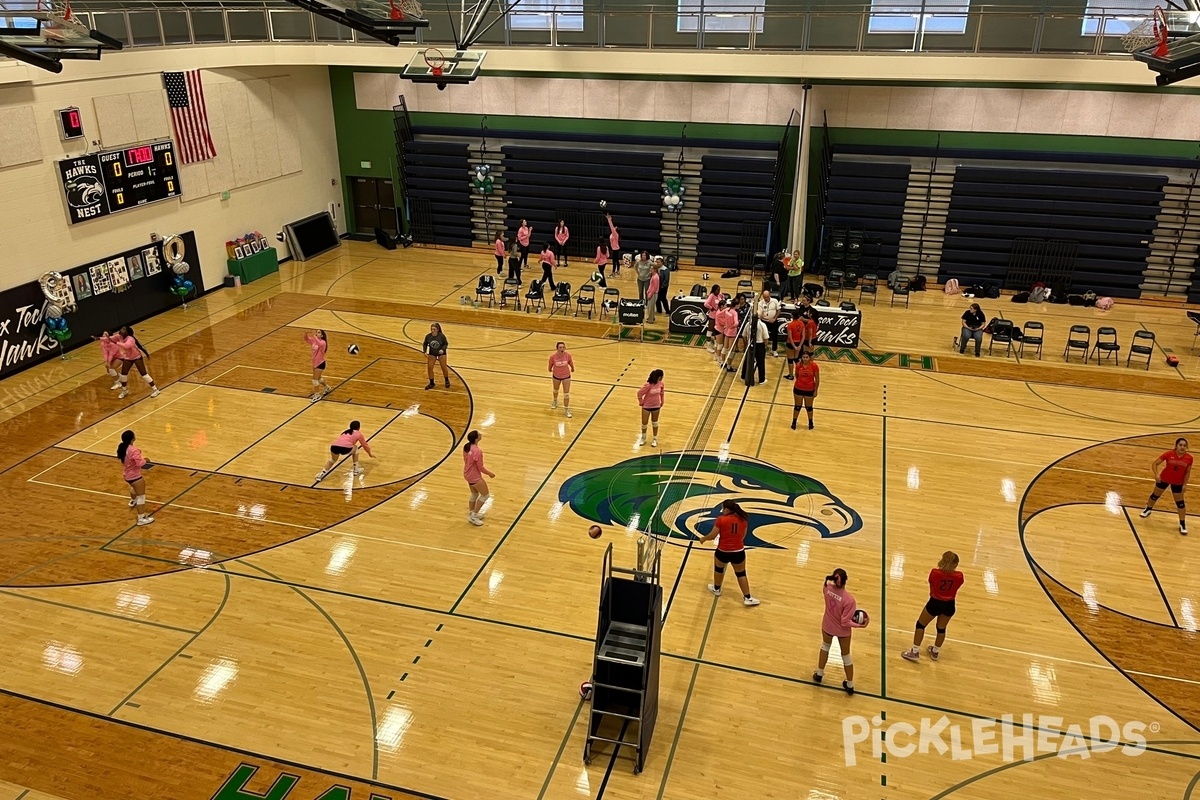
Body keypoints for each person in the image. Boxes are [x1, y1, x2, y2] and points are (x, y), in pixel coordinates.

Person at [902, 551, 964, 662]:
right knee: (941, 629)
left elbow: (932, 585)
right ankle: (935, 651)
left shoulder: (935, 573)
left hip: (935, 602)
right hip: (950, 604)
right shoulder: (959, 576)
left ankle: (915, 651)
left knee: (920, 625)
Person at [814, 568, 867, 695]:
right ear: (845, 581)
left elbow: (827, 582)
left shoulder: (827, 588)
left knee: (825, 647)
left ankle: (819, 674)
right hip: (843, 632)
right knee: (846, 656)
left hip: (827, 626)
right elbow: (845, 621)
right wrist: (859, 626)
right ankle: (849, 684)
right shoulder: (849, 600)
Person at [699, 499, 761, 607]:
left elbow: (713, 535)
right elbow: (743, 536)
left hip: (723, 551)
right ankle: (748, 598)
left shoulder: (721, 520)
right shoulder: (743, 519)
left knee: (718, 569)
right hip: (738, 552)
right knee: (741, 574)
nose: (722, 510)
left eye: (723, 508)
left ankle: (717, 589)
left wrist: (703, 539)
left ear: (727, 510)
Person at [1141, 437, 1192, 535]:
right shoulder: (1169, 454)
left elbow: (1187, 472)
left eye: (1184, 446)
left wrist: (1185, 484)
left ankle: (1182, 523)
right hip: (1164, 479)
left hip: (1178, 482)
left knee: (1180, 503)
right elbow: (1155, 464)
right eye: (1180, 445)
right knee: (1154, 496)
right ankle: (1148, 509)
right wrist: (1156, 474)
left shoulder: (1189, 458)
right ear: (1176, 446)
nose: (1182, 447)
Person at [103, 327, 160, 400]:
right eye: (121, 329)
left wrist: (115, 342)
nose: (121, 330)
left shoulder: (130, 339)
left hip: (137, 357)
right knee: (123, 374)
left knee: (144, 374)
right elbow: (109, 338)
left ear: (126, 332)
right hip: (128, 358)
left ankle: (156, 389)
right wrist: (99, 338)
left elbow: (126, 346)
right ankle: (124, 391)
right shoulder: (119, 336)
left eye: (123, 330)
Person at [117, 430, 154, 526]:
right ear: (133, 438)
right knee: (141, 496)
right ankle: (141, 518)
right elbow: (140, 464)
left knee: (133, 487)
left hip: (127, 475)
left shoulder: (122, 448)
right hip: (135, 476)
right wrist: (145, 460)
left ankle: (133, 501)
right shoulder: (133, 450)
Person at [462, 430, 495, 526]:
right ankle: (473, 516)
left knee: (474, 493)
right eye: (479, 434)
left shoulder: (466, 447)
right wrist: (490, 474)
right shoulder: (478, 451)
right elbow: (480, 467)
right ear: (476, 438)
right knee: (485, 495)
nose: (481, 434)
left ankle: (472, 511)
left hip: (467, 474)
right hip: (474, 476)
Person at [791, 351, 820, 430]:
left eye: (807, 357)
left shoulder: (814, 366)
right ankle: (794, 422)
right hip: (798, 388)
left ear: (809, 358)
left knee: (809, 407)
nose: (805, 359)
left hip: (810, 389)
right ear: (801, 358)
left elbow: (817, 379)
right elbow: (797, 375)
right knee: (797, 406)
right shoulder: (798, 365)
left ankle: (810, 423)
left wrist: (816, 390)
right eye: (803, 357)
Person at [636, 369, 664, 447]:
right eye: (662, 376)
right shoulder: (648, 385)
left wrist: (662, 401)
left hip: (656, 406)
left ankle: (655, 439)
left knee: (655, 423)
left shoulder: (661, 384)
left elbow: (662, 393)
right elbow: (639, 393)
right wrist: (641, 401)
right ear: (659, 377)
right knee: (644, 423)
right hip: (646, 406)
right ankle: (643, 438)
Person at [302, 329, 331, 402]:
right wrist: (306, 333)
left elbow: (319, 344)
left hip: (320, 363)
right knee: (318, 379)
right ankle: (327, 387)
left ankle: (317, 395)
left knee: (314, 380)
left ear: (322, 335)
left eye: (318, 332)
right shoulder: (314, 341)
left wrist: (314, 336)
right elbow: (306, 339)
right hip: (315, 363)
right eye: (316, 332)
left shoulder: (323, 342)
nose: (316, 333)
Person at [548, 341, 575, 418]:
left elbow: (570, 362)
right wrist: (549, 369)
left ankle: (566, 409)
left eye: (563, 347)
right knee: (556, 390)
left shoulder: (568, 355)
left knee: (566, 394)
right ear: (557, 348)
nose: (562, 349)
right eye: (560, 347)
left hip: (566, 376)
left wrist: (572, 368)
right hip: (556, 376)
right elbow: (550, 364)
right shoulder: (553, 357)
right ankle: (555, 401)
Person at [423, 323, 451, 390]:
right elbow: (425, 344)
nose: (432, 331)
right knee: (429, 368)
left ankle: (446, 380)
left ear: (437, 330)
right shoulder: (428, 336)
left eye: (434, 329)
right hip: (432, 353)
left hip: (441, 353)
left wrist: (442, 349)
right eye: (431, 329)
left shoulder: (441, 336)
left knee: (443, 367)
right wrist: (424, 351)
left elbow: (446, 344)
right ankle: (432, 383)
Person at [754, 289, 781, 357]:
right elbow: (760, 312)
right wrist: (760, 317)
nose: (766, 298)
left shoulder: (775, 301)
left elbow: (778, 310)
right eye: (764, 297)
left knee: (775, 336)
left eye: (767, 297)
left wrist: (774, 318)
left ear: (769, 295)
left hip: (773, 321)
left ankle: (774, 350)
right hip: (764, 322)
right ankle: (763, 349)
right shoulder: (761, 303)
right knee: (763, 336)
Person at [744, 314, 769, 385]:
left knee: (748, 360)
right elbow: (766, 338)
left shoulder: (748, 324)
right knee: (760, 363)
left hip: (750, 344)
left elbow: (744, 336)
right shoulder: (762, 325)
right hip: (760, 345)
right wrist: (764, 347)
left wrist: (747, 344)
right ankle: (762, 379)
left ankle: (744, 376)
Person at [716, 299, 739, 371]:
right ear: (736, 305)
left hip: (726, 331)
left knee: (725, 347)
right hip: (732, 333)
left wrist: (726, 324)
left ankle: (723, 363)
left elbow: (718, 315)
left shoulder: (727, 309)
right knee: (731, 350)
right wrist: (733, 326)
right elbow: (736, 323)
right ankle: (729, 366)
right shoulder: (734, 313)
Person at [784, 311, 805, 380]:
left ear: (792, 316)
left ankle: (791, 375)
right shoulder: (801, 323)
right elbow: (803, 336)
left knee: (790, 360)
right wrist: (799, 346)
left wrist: (794, 346)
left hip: (791, 344)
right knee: (796, 359)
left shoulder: (790, 325)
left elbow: (790, 337)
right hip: (798, 343)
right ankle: (800, 373)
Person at [704, 285, 723, 353]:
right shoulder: (711, 295)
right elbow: (706, 304)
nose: (718, 291)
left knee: (716, 330)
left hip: (718, 316)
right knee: (710, 329)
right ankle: (708, 345)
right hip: (712, 316)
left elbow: (722, 300)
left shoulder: (719, 295)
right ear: (714, 290)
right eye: (717, 290)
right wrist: (711, 308)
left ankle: (715, 345)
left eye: (719, 290)